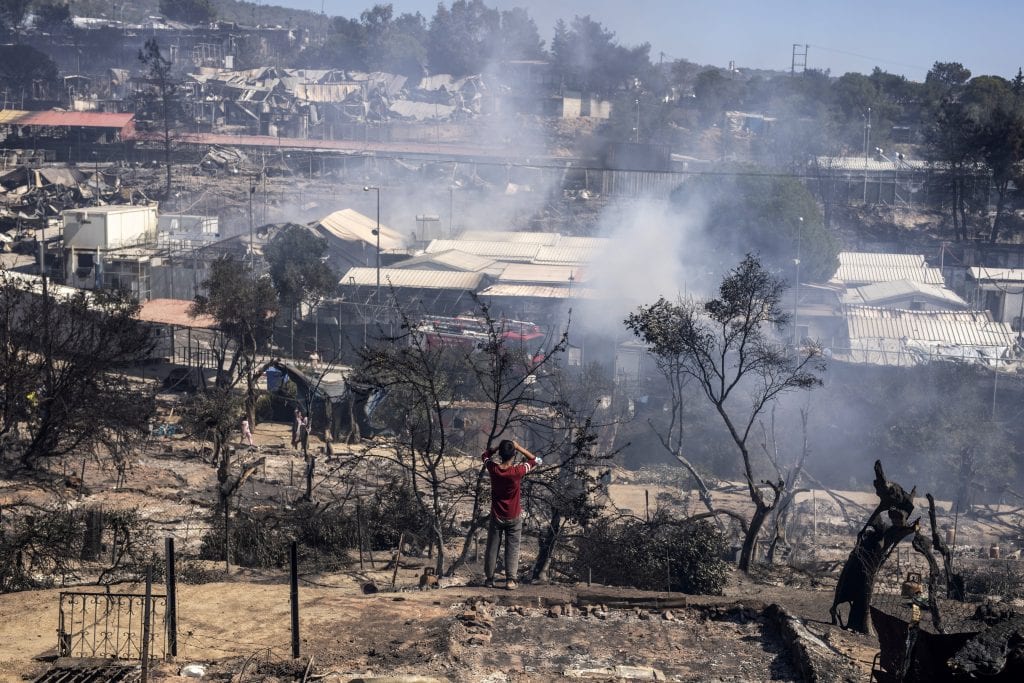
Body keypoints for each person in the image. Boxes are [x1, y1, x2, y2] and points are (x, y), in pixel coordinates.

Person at [482, 439, 541, 590]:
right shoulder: (517, 472)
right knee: (512, 548)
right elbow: (535, 460)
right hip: (513, 516)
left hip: (496, 515)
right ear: (513, 455)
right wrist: (519, 446)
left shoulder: (493, 469)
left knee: (492, 547)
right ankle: (510, 580)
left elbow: (485, 456)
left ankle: (489, 579)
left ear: (500, 455)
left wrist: (496, 448)